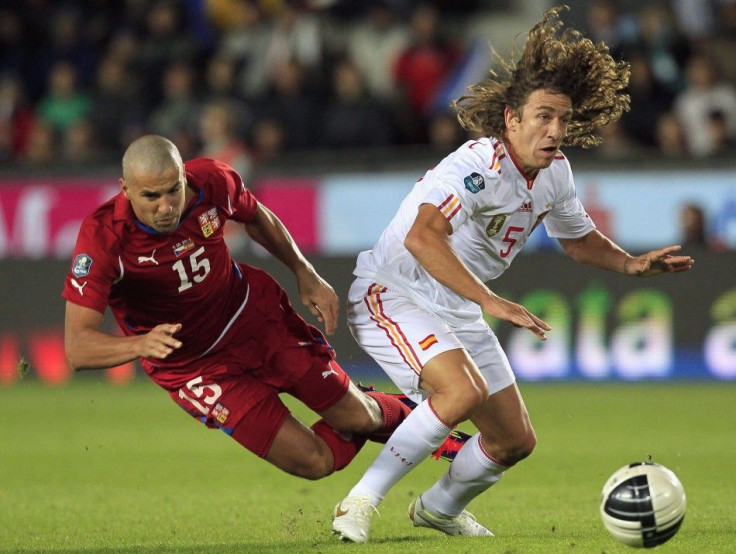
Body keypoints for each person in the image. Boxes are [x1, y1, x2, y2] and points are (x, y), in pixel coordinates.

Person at [332, 6, 694, 543]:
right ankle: (359, 503)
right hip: (395, 291)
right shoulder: (475, 167)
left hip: (456, 305)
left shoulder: (555, 174)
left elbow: (577, 239)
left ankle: (438, 507)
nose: (554, 131)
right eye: (543, 116)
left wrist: (629, 263)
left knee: (514, 441)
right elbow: (421, 237)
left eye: (563, 120)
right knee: (459, 394)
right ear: (511, 119)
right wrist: (494, 302)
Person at [62, 134, 414, 482]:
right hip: (195, 367)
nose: (166, 206)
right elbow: (78, 348)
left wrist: (303, 270)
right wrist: (138, 344)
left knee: (357, 418)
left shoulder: (212, 180)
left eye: (173, 190)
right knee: (314, 463)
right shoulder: (104, 238)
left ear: (184, 174)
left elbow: (256, 215)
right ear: (125, 189)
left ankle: (427, 427)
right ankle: (393, 415)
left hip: (254, 319)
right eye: (151, 196)